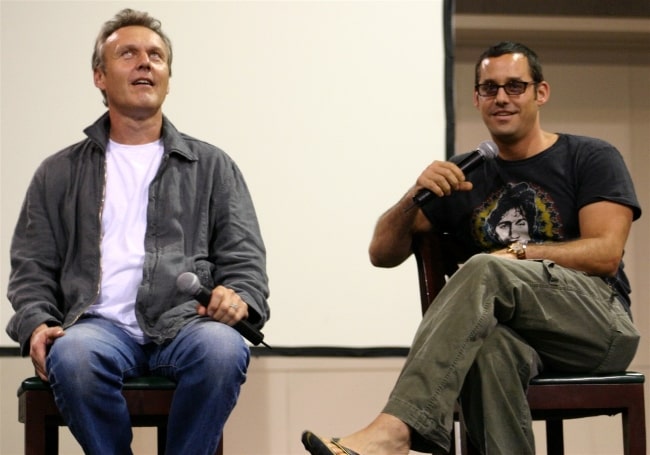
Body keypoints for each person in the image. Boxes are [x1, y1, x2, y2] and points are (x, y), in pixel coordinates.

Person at [301, 41, 641, 455]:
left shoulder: (589, 156)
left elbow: (604, 253)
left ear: (541, 92)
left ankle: (395, 431)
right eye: (489, 88)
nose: (501, 98)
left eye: (515, 86)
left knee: (486, 268)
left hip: (597, 328)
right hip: (521, 339)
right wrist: (414, 194)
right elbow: (381, 253)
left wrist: (516, 255)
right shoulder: (465, 173)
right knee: (488, 353)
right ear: (477, 98)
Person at [6, 8, 269, 455]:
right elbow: (31, 270)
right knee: (73, 356)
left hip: (186, 325)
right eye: (128, 54)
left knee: (223, 351)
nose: (145, 63)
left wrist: (237, 297)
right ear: (99, 77)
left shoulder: (212, 167)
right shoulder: (58, 172)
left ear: (167, 77)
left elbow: (244, 263)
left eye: (156, 56)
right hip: (96, 326)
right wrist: (37, 325)